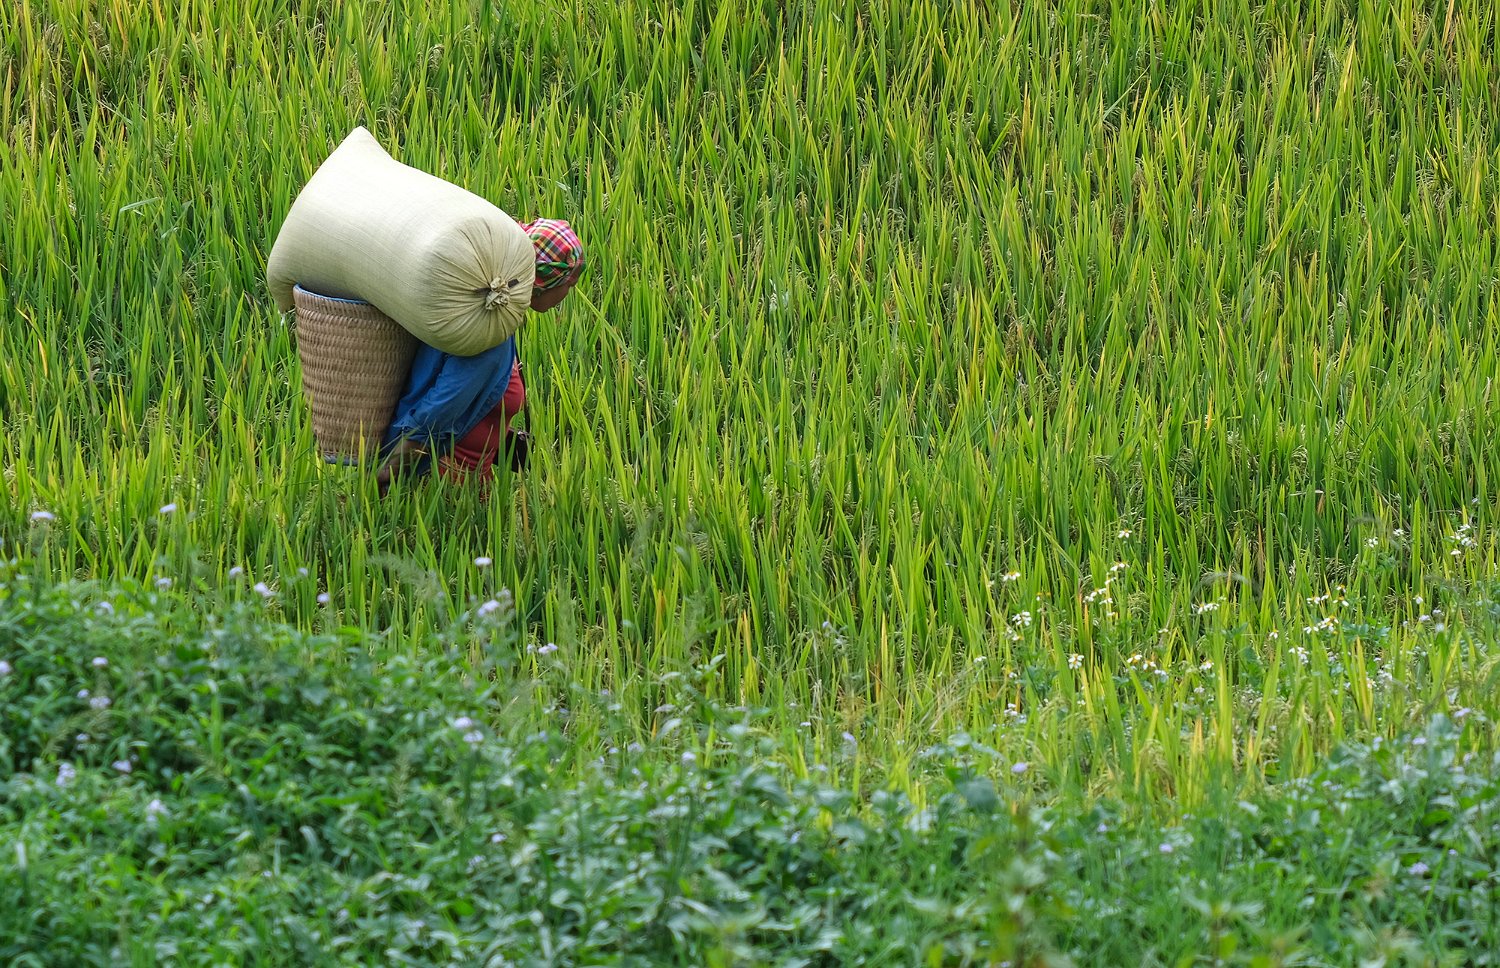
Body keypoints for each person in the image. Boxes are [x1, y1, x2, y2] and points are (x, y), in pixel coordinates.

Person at [375, 218, 584, 493]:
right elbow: (442, 405)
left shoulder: (496, 319)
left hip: (466, 484)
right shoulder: (488, 333)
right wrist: (391, 470)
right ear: (544, 281)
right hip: (444, 487)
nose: (570, 291)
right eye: (570, 282)